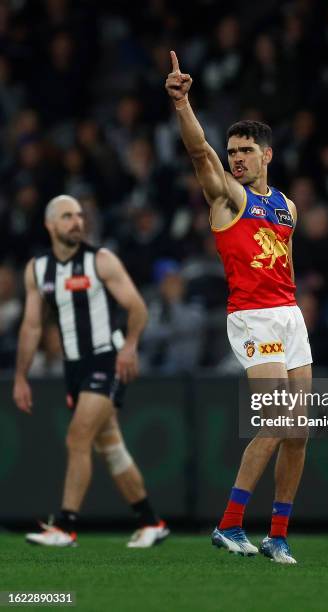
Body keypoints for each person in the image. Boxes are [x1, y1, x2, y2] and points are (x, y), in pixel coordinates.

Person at [165, 51, 312, 564]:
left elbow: (287, 263)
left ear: (267, 155)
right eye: (233, 152)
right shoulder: (227, 197)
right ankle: (229, 525)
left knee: (298, 432)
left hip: (288, 315)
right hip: (251, 316)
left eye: (246, 151)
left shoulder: (286, 206)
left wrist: (294, 310)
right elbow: (199, 152)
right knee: (275, 421)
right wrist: (183, 103)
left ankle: (278, 535)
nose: (237, 159)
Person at [13, 195, 169, 548]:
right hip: (73, 367)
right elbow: (32, 327)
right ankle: (150, 521)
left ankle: (65, 526)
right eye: (67, 217)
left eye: (79, 216)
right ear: (50, 225)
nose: (76, 222)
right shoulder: (37, 270)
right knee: (110, 447)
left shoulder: (100, 260)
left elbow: (137, 307)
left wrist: (129, 347)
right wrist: (21, 376)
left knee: (77, 437)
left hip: (106, 360)